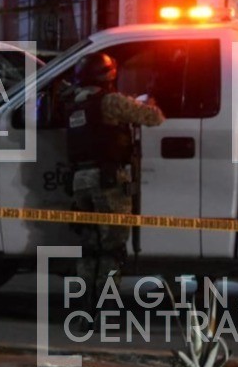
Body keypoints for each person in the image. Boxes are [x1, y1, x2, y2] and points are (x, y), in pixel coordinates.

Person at [62, 52, 165, 329]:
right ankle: (104, 310)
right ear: (109, 75)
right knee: (112, 248)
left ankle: (83, 308)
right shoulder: (111, 101)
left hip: (79, 181)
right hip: (107, 182)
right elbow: (154, 117)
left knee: (89, 247)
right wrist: (149, 99)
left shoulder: (74, 104)